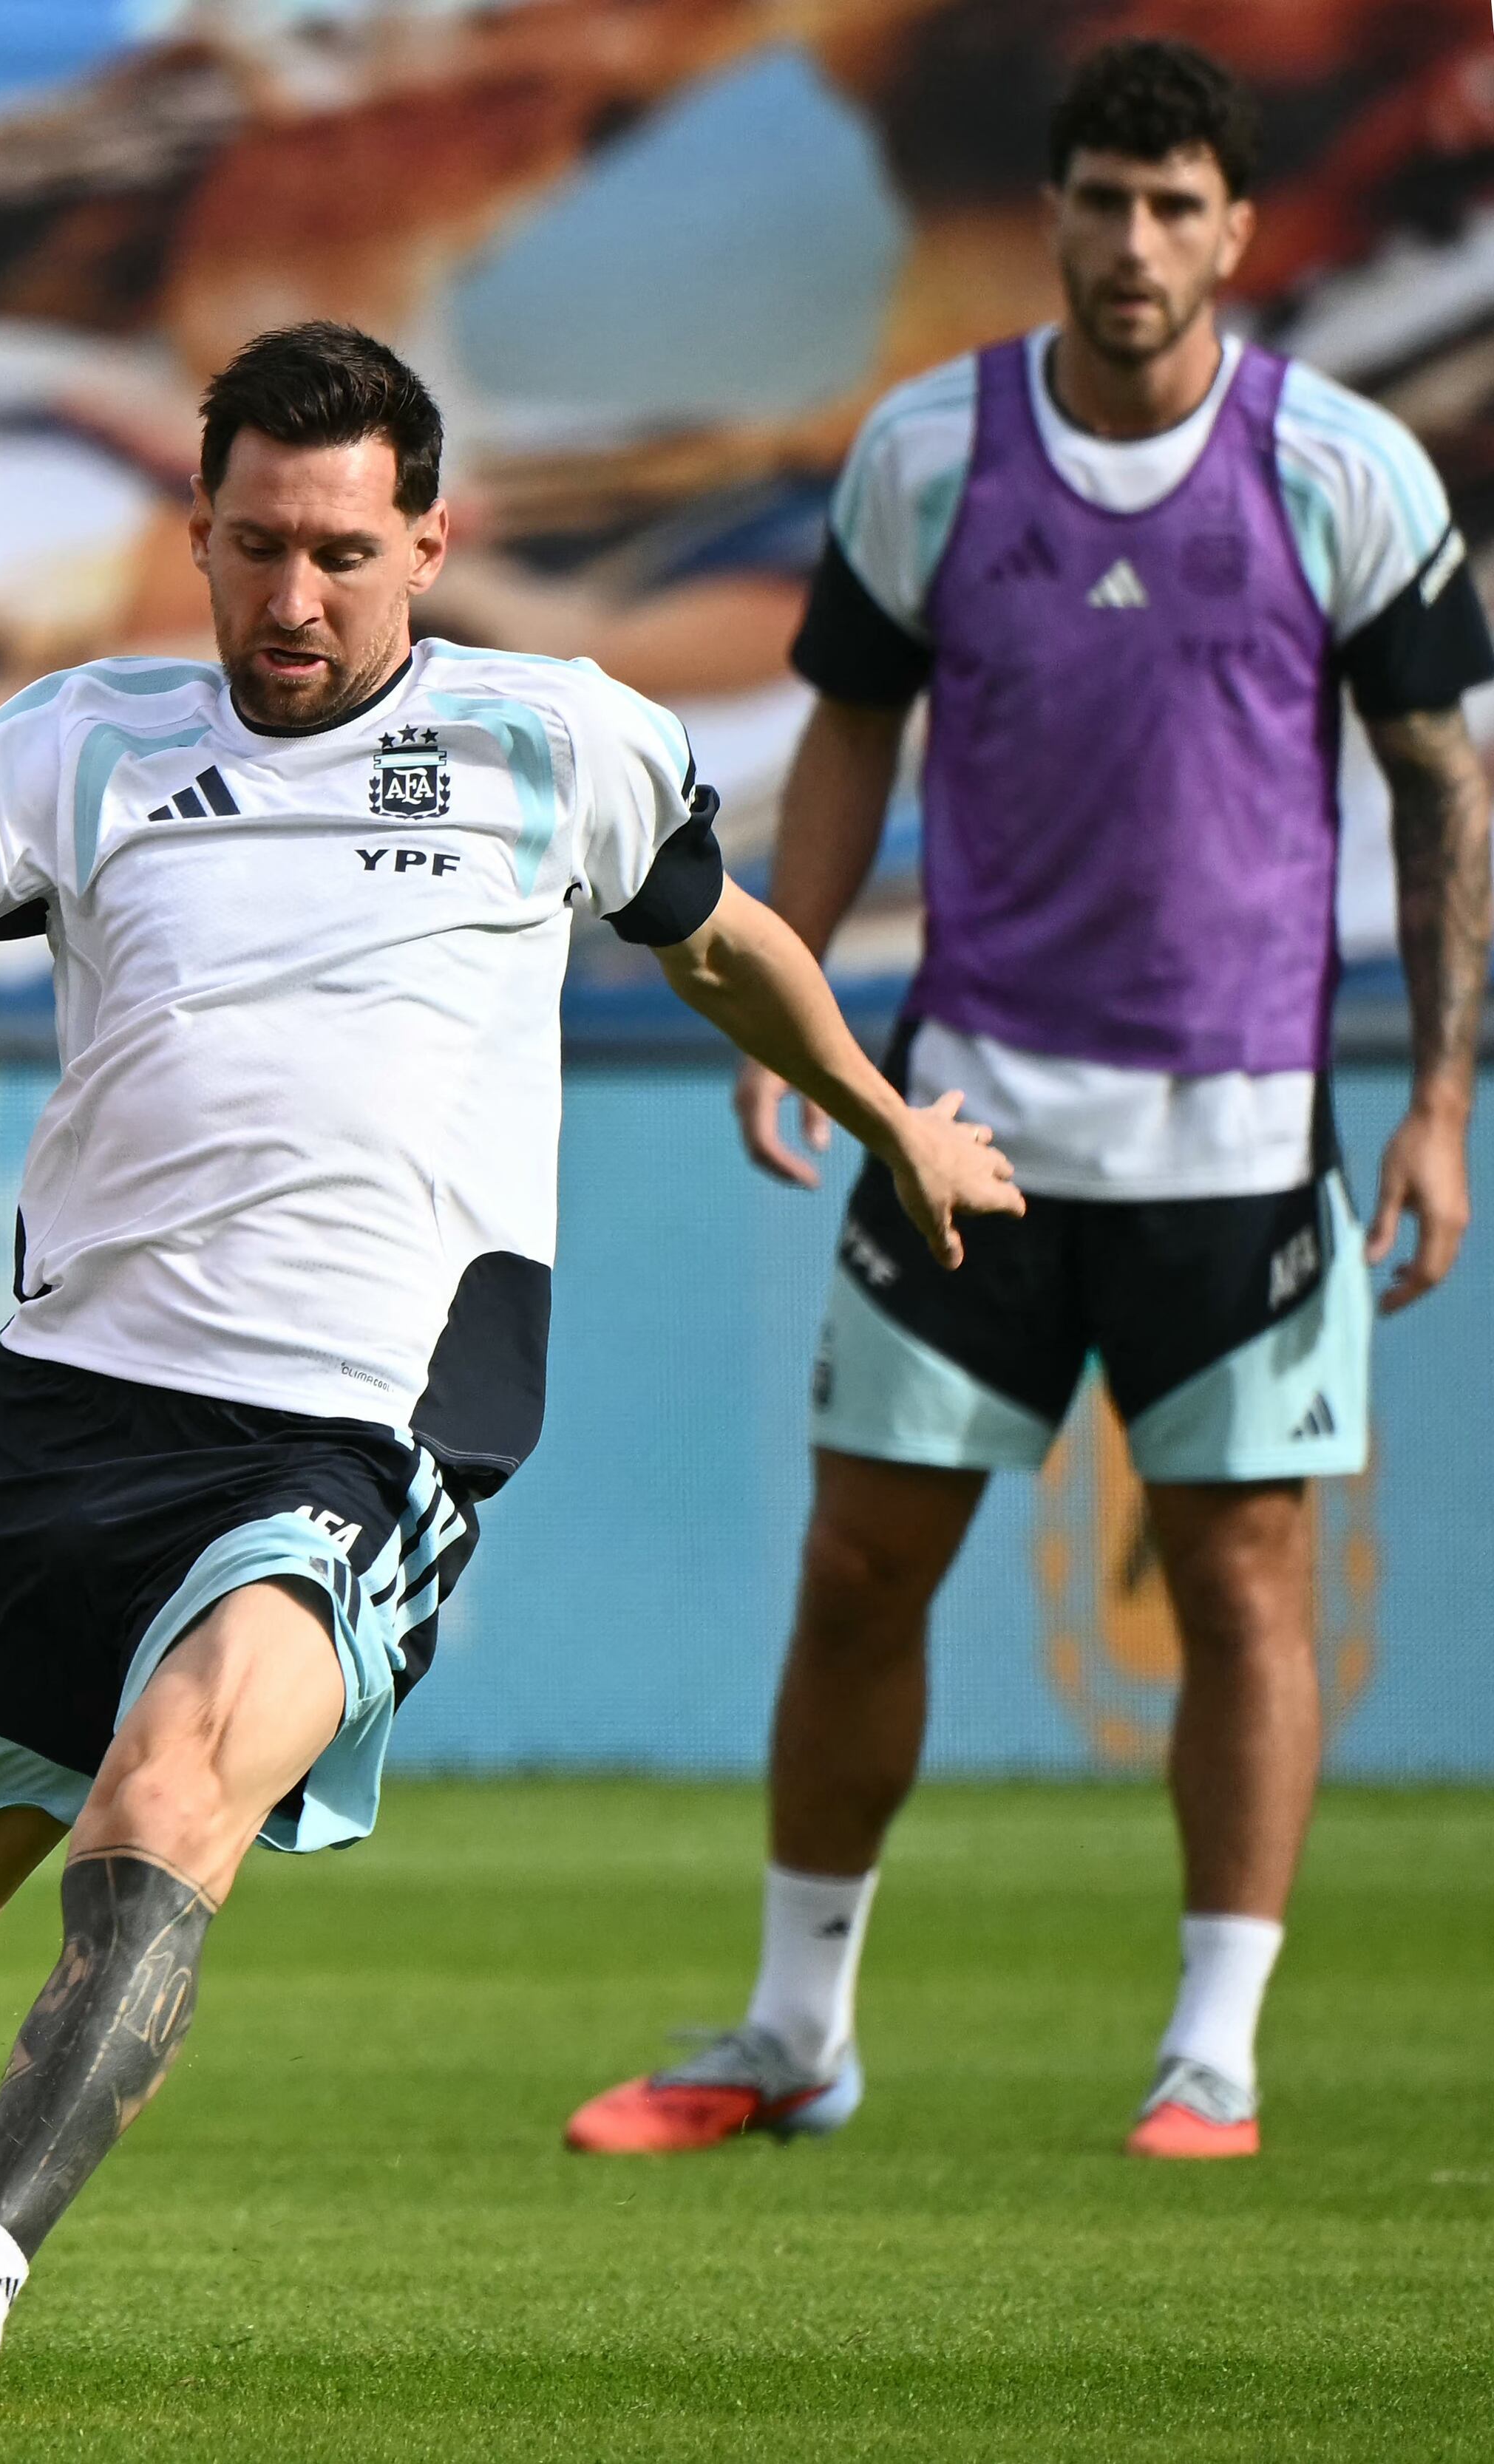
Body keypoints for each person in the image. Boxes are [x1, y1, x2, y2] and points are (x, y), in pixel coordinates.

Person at [0, 321, 1021, 2417]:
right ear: (202, 532)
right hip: (59, 1405)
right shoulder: (87, 741)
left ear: (435, 536)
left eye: (341, 549)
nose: (294, 597)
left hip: (360, 1421)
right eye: (253, 547)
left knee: (171, 1792)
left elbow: (722, 936)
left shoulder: (555, 741)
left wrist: (888, 1115)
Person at [566, 38, 1491, 2167]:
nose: (1136, 241)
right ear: (1055, 211)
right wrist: (797, 1034)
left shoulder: (1344, 471)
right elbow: (848, 737)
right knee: (860, 1569)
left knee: (1241, 1578)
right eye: (1104, 198)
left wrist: (1435, 1105)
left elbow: (1448, 789)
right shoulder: (925, 452)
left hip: (1242, 1135)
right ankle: (799, 2031)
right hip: (967, 1121)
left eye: (1178, 205)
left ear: (1238, 234)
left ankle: (1213, 2050)